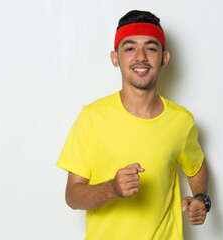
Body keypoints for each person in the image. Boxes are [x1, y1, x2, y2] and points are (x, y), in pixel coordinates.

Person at [57, 10, 211, 240]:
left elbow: (196, 166)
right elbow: (72, 196)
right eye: (129, 48)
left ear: (164, 58)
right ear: (115, 58)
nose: (141, 57)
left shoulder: (181, 121)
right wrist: (112, 189)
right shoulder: (91, 118)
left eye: (151, 48)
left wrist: (201, 199)